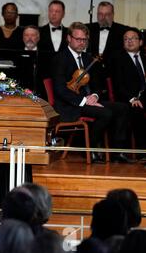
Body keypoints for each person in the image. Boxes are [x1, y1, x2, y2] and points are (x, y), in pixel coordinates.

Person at [51, 22, 131, 164]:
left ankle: (117, 152)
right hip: (70, 105)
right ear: (69, 38)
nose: (82, 43)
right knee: (106, 113)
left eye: (84, 40)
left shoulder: (89, 59)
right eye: (78, 39)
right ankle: (91, 148)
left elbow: (98, 85)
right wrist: (84, 101)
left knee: (123, 108)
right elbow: (59, 89)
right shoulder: (60, 58)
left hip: (88, 101)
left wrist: (94, 96)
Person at [110, 28, 146, 156]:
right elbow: (118, 86)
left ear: (141, 42)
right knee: (137, 109)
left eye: (133, 38)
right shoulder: (118, 59)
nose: (129, 41)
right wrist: (133, 99)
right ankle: (143, 151)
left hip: (143, 97)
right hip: (127, 99)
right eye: (126, 39)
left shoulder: (144, 57)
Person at [86, 1, 129, 98]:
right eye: (100, 14)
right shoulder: (87, 29)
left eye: (107, 14)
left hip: (114, 77)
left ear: (113, 15)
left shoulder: (123, 30)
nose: (103, 17)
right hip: (91, 77)